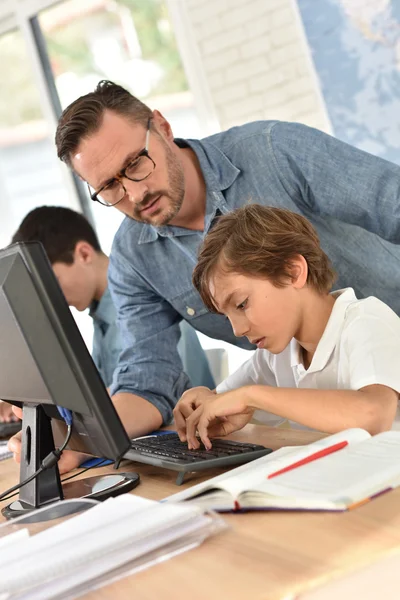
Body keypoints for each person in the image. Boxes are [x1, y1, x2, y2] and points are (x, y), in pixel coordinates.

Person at [10, 79, 400, 470]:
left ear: (162, 127)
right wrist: (77, 442)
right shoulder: (134, 256)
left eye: (134, 164)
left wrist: (252, 396)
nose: (134, 193)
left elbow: (394, 202)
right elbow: (148, 377)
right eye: (110, 186)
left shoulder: (274, 150)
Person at [174, 205, 400, 449]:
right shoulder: (275, 355)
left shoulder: (367, 322)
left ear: (293, 272)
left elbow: (373, 416)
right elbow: (224, 401)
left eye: (241, 304)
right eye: (226, 316)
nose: (237, 330)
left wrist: (252, 396)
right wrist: (203, 401)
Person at [8, 205, 214, 468]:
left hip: (182, 438)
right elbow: (103, 390)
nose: (49, 298)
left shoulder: (139, 309)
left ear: (83, 254)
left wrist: (64, 425)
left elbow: (137, 388)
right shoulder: (100, 316)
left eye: (51, 282)